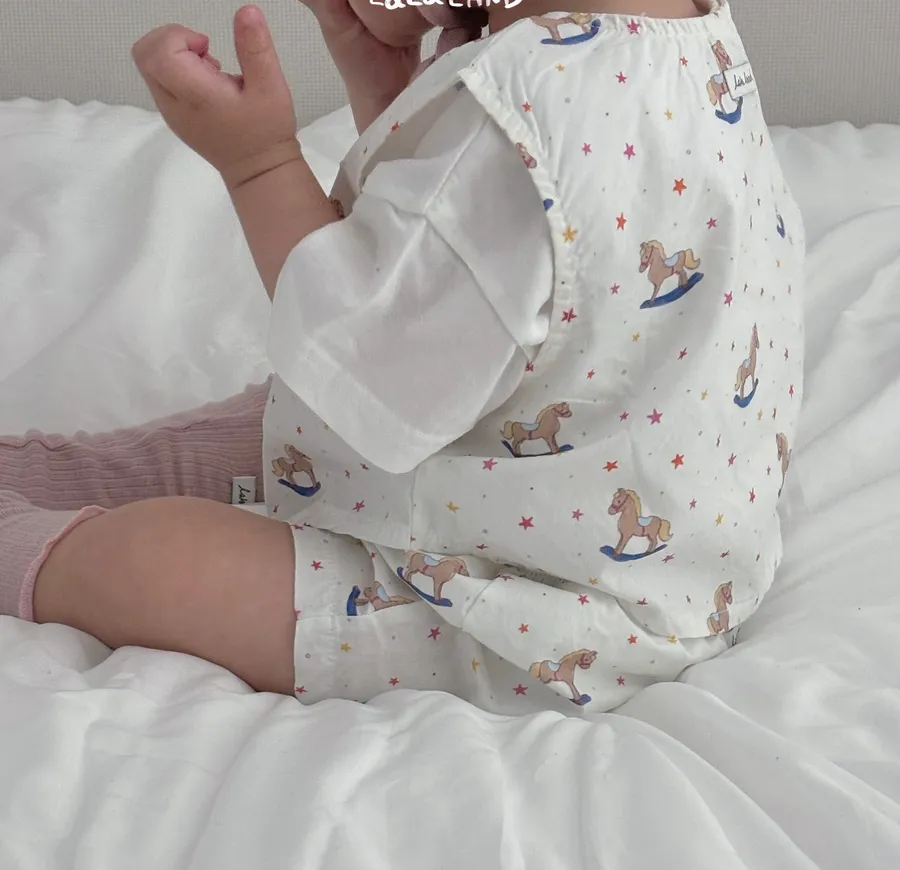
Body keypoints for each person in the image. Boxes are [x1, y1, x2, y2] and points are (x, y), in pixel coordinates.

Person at [0, 0, 804, 714]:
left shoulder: (525, 106)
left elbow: (361, 364)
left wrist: (259, 162)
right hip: (659, 560)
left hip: (547, 627)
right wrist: (385, 89)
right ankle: (55, 474)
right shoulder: (686, 38)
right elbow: (461, 275)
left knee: (157, 564)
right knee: (269, 425)